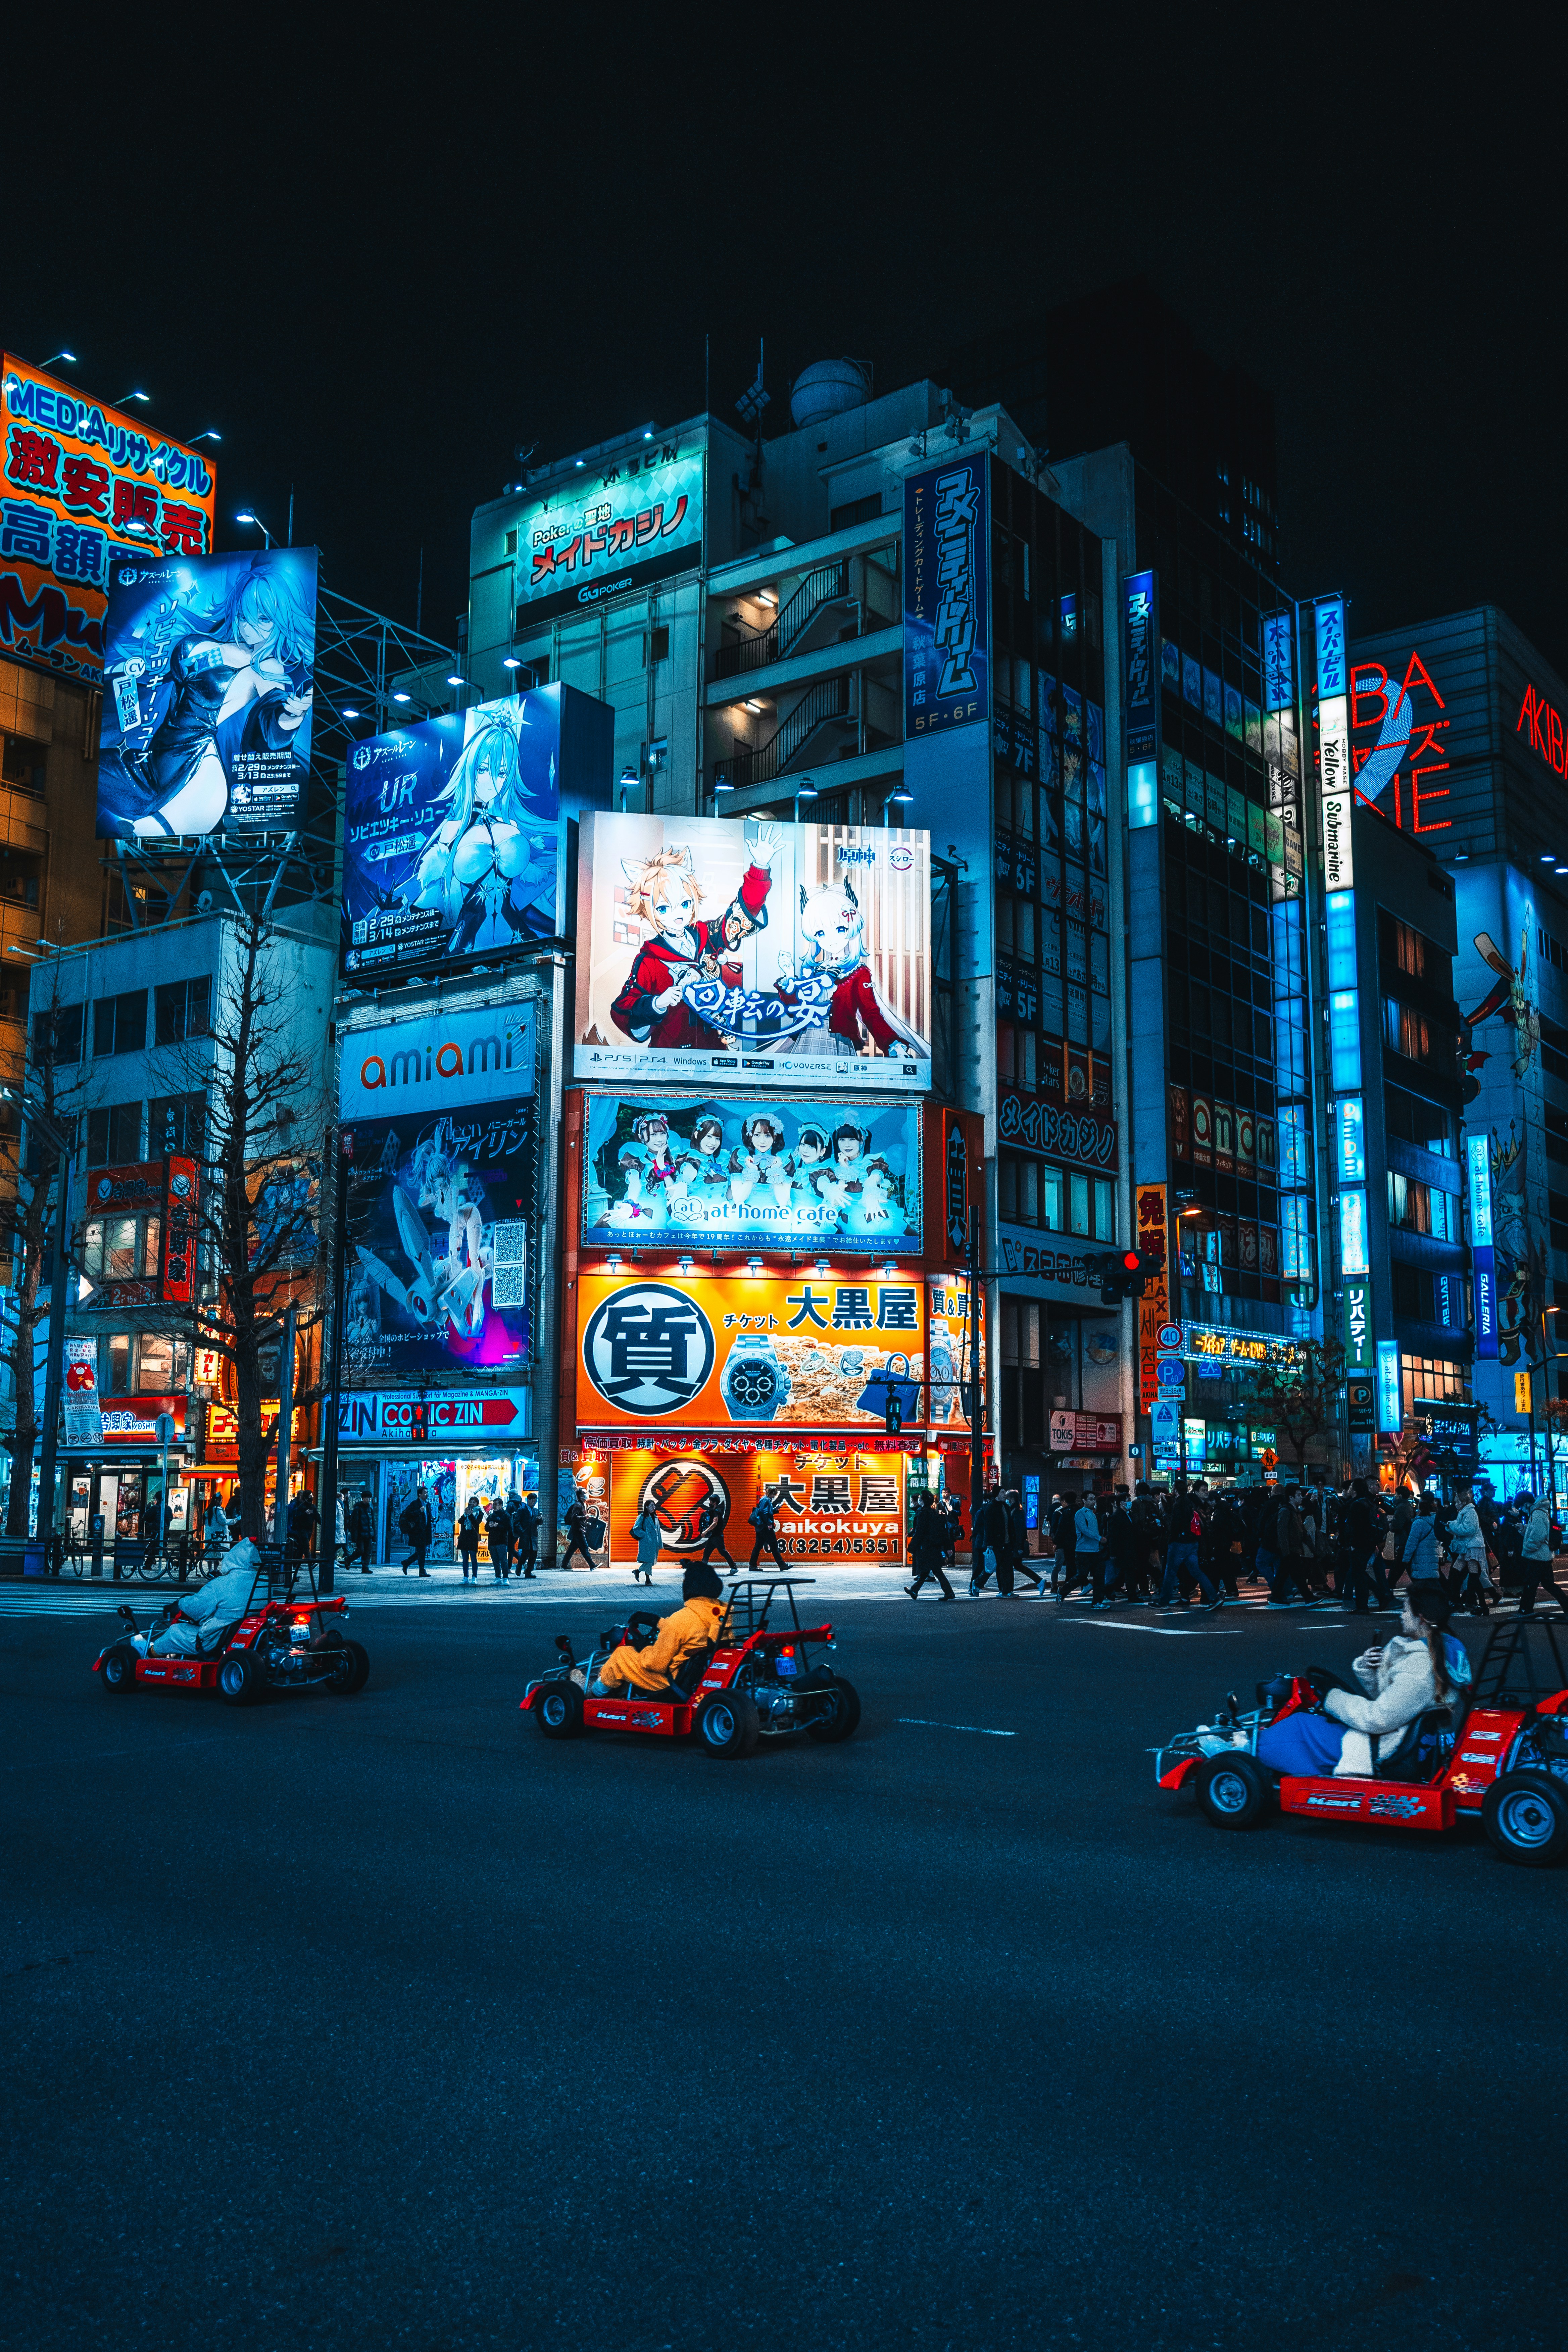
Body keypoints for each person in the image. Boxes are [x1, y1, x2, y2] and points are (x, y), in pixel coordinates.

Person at [1255, 1583, 1472, 1777]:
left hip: (1384, 1746)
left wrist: (1331, 1697)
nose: (1402, 1615)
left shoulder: (1419, 1667)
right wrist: (1370, 1668)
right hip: (1400, 1735)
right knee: (1315, 1722)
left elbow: (1376, 1719)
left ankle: (1248, 1754)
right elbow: (1393, 1702)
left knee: (1300, 1725)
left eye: (1406, 1610)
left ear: (1422, 1618)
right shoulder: (1442, 1652)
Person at [588, 1562, 727, 1695]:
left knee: (622, 1655)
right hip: (699, 1675)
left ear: (691, 1586)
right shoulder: (722, 1614)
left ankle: (595, 1693)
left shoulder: (681, 1619)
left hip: (672, 1682)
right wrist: (656, 1621)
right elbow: (690, 1629)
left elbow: (655, 1664)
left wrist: (643, 1647)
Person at [136, 1541, 266, 1657]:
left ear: (233, 1560)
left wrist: (182, 1603)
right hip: (244, 1635)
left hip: (215, 1640)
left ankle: (150, 1653)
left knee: (175, 1632)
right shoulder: (265, 1582)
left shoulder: (223, 1584)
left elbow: (195, 1609)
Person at [1161, 1482, 1223, 1610]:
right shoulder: (1194, 1504)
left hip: (1181, 1542)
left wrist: (1172, 1539)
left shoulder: (1182, 1503)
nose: (1206, 1493)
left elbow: (1176, 1525)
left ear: (1176, 1490)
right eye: (1204, 1490)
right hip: (1193, 1542)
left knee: (1171, 1572)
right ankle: (1214, 1597)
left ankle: (1164, 1601)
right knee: (1197, 1572)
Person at [1339, 1477, 1396, 1615]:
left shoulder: (1356, 1505)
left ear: (1356, 1489)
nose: (1351, 1489)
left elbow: (1354, 1527)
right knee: (1360, 1573)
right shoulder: (1369, 1503)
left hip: (1359, 1544)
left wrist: (1351, 1543)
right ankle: (1379, 1596)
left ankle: (1366, 1604)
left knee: (1358, 1574)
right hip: (1370, 1544)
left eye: (1353, 1486)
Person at [1517, 1491, 1568, 1615]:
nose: (1521, 1508)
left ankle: (1525, 1610)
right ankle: (1567, 1606)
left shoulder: (1538, 1513)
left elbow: (1538, 1535)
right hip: (1543, 1556)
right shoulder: (1539, 1512)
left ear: (1527, 1503)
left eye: (1522, 1505)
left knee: (1530, 1584)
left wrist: (1528, 1548)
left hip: (1538, 1556)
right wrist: (1524, 1529)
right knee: (1548, 1584)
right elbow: (1537, 1532)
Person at [1444, 1483, 1492, 1615]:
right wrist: (1451, 1526)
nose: (1455, 1502)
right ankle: (1472, 1602)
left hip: (1472, 1548)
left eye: (1457, 1499)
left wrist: (1452, 1525)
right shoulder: (1466, 1511)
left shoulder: (1470, 1512)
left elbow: (1468, 1530)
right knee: (1464, 1574)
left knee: (1473, 1576)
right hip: (1468, 1548)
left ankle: (1476, 1603)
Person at [1267, 1485, 1317, 1608]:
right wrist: (1286, 1551)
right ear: (1291, 1497)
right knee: (1296, 1575)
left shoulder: (1295, 1511)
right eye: (1299, 1495)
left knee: (1287, 1574)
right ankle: (1308, 1597)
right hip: (1290, 1549)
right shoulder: (1286, 1511)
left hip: (1293, 1549)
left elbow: (1303, 1532)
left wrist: (1312, 1548)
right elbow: (1282, 1532)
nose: (1301, 1497)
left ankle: (1277, 1597)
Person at [906, 1493, 956, 1601]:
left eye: (920, 1499)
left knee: (934, 1571)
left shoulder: (922, 1513)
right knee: (929, 1571)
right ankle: (915, 1591)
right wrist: (948, 1548)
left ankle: (949, 1593)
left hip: (926, 1548)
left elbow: (920, 1532)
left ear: (923, 1502)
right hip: (935, 1547)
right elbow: (943, 1532)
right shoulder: (935, 1513)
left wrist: (912, 1546)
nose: (919, 1500)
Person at [1075, 1491, 1109, 1609]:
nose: (1094, 1501)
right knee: (1081, 1576)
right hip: (1083, 1551)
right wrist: (1099, 1538)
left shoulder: (1093, 1514)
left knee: (1099, 1576)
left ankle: (1097, 1602)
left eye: (1094, 1499)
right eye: (1091, 1499)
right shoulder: (1081, 1513)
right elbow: (1085, 1531)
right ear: (1084, 1500)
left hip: (1095, 1551)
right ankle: (1063, 1591)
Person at [979, 1486, 1013, 1597]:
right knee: (993, 1567)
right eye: (1003, 1493)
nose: (1006, 1495)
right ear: (998, 1494)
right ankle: (977, 1583)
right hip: (996, 1543)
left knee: (1006, 1567)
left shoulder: (1006, 1507)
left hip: (1006, 1542)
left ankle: (1006, 1591)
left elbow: (1010, 1525)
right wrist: (989, 1544)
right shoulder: (991, 1507)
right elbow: (988, 1527)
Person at [1401, 1492, 1441, 1584]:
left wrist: (1406, 1558)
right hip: (1433, 1555)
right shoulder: (1437, 1519)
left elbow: (1412, 1542)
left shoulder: (1419, 1523)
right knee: (1432, 1581)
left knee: (1421, 1584)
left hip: (1420, 1556)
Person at [696, 1489, 736, 1572]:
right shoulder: (715, 1511)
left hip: (717, 1536)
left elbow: (715, 1523)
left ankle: (734, 1567)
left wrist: (706, 1531)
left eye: (711, 1502)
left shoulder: (716, 1511)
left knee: (723, 1552)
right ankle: (703, 1568)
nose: (709, 1503)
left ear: (715, 1503)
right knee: (707, 1552)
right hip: (714, 1536)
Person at [748, 1490, 787, 1572]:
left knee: (758, 1546)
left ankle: (752, 1566)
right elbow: (763, 1513)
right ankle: (782, 1565)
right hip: (765, 1528)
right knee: (774, 1545)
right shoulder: (765, 1500)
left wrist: (776, 1509)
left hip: (761, 1528)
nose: (775, 1496)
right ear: (771, 1493)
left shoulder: (766, 1500)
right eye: (774, 1494)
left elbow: (767, 1512)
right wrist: (768, 1524)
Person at [399, 1489, 433, 1577]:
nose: (427, 1494)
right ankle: (422, 1571)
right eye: (425, 1493)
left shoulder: (428, 1504)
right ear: (420, 1495)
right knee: (422, 1552)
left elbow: (429, 1517)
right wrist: (419, 1511)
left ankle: (406, 1563)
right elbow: (407, 1514)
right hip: (417, 1532)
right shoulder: (415, 1504)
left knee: (421, 1552)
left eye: (427, 1493)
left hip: (425, 1532)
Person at [561, 1493, 597, 1572]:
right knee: (585, 1547)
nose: (587, 1495)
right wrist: (585, 1517)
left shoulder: (582, 1504)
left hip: (579, 1530)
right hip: (578, 1530)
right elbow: (574, 1517)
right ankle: (592, 1565)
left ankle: (564, 1565)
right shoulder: (578, 1505)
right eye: (585, 1493)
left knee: (572, 1549)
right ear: (581, 1496)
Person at [631, 1499, 663, 1586]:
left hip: (654, 1543)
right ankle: (648, 1580)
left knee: (650, 1561)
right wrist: (645, 1536)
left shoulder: (656, 1517)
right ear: (646, 1507)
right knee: (649, 1561)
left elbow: (658, 1531)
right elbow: (636, 1528)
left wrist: (659, 1542)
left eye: (654, 1505)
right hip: (646, 1542)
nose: (654, 1507)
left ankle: (638, 1572)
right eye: (652, 1505)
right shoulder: (642, 1517)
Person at [346, 1489, 374, 1575]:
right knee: (360, 1551)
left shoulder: (370, 1509)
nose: (369, 1500)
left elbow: (373, 1522)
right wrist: (354, 1537)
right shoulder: (357, 1509)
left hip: (369, 1534)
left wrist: (374, 1535)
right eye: (368, 1498)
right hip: (360, 1535)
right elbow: (354, 1524)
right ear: (363, 1498)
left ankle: (365, 1568)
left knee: (368, 1552)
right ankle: (349, 1559)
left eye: (370, 1498)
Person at [512, 1492, 540, 1577]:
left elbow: (539, 1523)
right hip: (525, 1535)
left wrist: (539, 1519)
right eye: (533, 1501)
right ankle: (520, 1566)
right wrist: (522, 1531)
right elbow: (516, 1522)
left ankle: (529, 1572)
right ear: (529, 1500)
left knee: (534, 1555)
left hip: (533, 1536)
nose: (534, 1503)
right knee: (525, 1554)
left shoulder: (536, 1511)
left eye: (536, 1501)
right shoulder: (522, 1510)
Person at [486, 1495, 513, 1580]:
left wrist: (498, 1525)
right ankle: (498, 1577)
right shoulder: (491, 1516)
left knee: (503, 1560)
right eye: (494, 1505)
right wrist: (490, 1526)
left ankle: (505, 1578)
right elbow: (486, 1529)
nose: (494, 1506)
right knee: (495, 1561)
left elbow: (508, 1528)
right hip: (492, 1541)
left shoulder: (506, 1515)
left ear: (501, 1505)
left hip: (502, 1541)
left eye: (496, 1505)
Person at [457, 1499, 484, 1582]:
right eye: (471, 1501)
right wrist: (466, 1514)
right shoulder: (466, 1511)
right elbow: (460, 1521)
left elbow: (477, 1523)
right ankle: (466, 1577)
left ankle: (474, 1577)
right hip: (464, 1538)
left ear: (477, 1504)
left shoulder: (480, 1513)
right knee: (465, 1559)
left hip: (473, 1538)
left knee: (473, 1558)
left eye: (474, 1502)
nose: (472, 1503)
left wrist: (471, 1515)